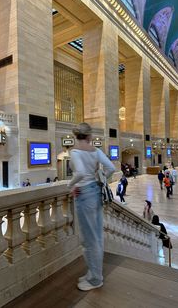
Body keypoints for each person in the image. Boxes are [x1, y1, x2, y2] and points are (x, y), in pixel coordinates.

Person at [68, 122, 115, 291]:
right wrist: (99, 179)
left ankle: (96, 278)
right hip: (95, 193)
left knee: (89, 239)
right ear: (89, 136)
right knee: (95, 236)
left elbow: (79, 172)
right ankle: (93, 273)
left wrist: (71, 185)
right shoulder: (96, 151)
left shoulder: (75, 152)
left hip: (84, 195)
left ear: (76, 136)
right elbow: (111, 168)